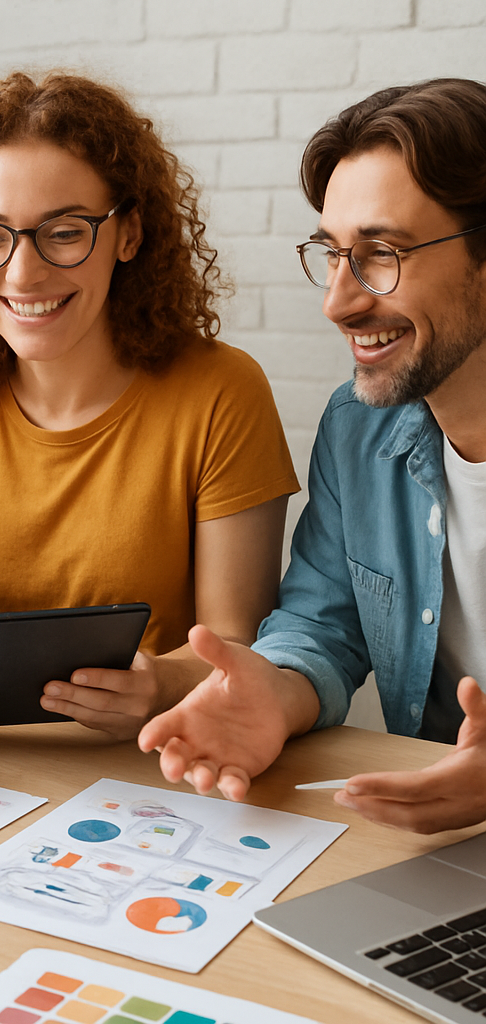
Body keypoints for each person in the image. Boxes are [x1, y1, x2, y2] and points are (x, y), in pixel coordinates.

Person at [0, 72, 299, 786]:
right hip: (0, 772)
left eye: (65, 233)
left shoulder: (222, 391)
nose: (24, 272)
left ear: (128, 233)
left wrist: (157, 684)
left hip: (171, 763)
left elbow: (234, 639)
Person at [139, 78, 486, 835]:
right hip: (429, 846)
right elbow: (324, 623)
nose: (338, 301)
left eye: (382, 254)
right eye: (331, 254)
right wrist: (276, 688)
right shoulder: (358, 429)